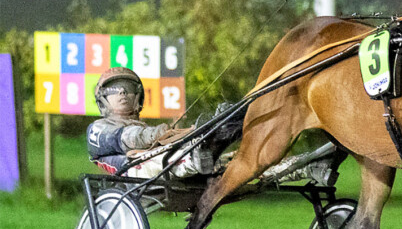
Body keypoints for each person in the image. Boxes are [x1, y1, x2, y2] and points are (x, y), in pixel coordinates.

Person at [87, 67, 337, 184]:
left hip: (172, 160)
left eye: (128, 89)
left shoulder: (149, 128)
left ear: (138, 97)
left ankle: (307, 166)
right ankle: (202, 148)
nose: (122, 93)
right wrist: (157, 133)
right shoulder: (97, 128)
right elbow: (126, 138)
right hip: (136, 170)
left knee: (245, 161)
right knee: (173, 154)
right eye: (113, 90)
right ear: (102, 100)